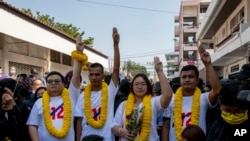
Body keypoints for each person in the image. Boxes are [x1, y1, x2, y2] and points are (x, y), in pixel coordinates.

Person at [26, 35, 84, 140]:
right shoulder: (39, 102)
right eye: (50, 81)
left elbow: (76, 76)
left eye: (57, 81)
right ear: (46, 84)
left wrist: (79, 54)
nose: (53, 83)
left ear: (63, 84)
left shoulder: (71, 97)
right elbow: (32, 125)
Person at [164, 46, 221, 141]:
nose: (187, 79)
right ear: (180, 79)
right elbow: (166, 125)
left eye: (191, 76)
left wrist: (208, 64)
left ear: (197, 80)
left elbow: (217, 90)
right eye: (184, 77)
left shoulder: (203, 98)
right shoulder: (171, 99)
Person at [75, 27, 120, 141]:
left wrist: (115, 45)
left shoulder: (110, 92)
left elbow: (116, 69)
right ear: (89, 76)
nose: (94, 77)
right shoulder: (82, 96)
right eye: (92, 74)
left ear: (103, 76)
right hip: (86, 138)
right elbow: (79, 121)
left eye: (97, 74)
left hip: (106, 138)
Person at [111, 57, 173, 141]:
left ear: (148, 86)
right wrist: (121, 131)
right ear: (132, 87)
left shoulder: (154, 102)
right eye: (136, 84)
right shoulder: (124, 105)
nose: (140, 87)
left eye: (143, 84)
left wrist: (160, 71)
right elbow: (114, 126)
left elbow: (168, 95)